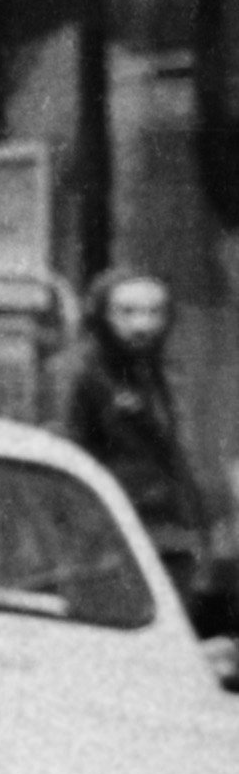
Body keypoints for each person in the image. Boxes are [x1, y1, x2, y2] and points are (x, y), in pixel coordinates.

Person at [65, 269, 237, 682]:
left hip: (172, 532)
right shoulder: (81, 374)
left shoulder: (158, 372)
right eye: (127, 312)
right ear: (101, 315)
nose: (142, 324)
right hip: (116, 537)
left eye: (153, 312)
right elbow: (68, 454)